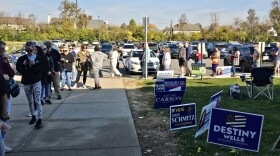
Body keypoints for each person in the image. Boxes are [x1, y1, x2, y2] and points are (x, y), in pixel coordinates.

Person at [16, 42, 43, 129]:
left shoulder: (38, 58)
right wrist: (23, 65)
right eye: (27, 50)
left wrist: (34, 64)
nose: (29, 52)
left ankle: (40, 118)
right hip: (27, 82)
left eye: (30, 50)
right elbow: (19, 69)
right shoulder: (22, 58)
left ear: (33, 49)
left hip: (36, 81)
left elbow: (41, 69)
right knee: (30, 100)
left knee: (38, 100)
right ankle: (33, 116)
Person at [0, 41, 14, 153]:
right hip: (2, 92)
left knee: (5, 122)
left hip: (5, 93)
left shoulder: (3, 60)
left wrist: (6, 62)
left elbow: (12, 73)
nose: (4, 52)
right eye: (2, 49)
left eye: (4, 49)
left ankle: (2, 143)